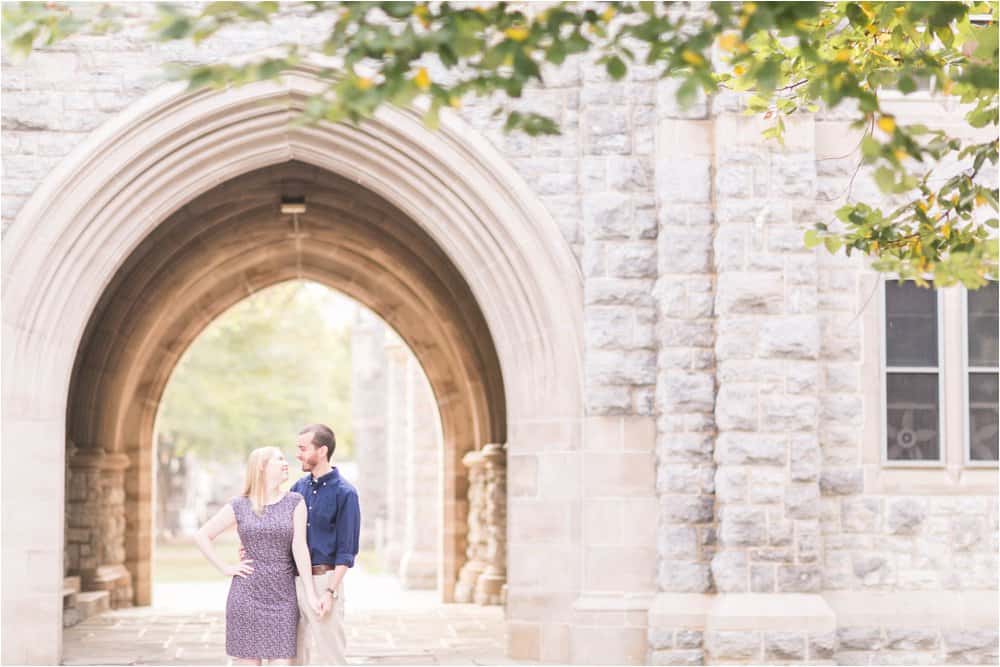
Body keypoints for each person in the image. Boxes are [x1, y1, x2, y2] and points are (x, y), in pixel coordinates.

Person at [194, 447, 324, 665]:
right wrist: (225, 568)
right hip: (246, 597)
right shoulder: (240, 505)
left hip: (283, 597)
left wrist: (311, 593)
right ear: (262, 467)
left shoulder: (295, 502)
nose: (286, 463)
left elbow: (300, 548)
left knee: (282, 662)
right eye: (279, 459)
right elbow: (202, 535)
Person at [291, 423, 361, 665]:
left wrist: (330, 592)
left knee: (332, 657)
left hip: (324, 582)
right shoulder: (297, 489)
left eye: (302, 448)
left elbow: (347, 551)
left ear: (321, 451)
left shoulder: (346, 493)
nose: (297, 453)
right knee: (293, 657)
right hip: (294, 582)